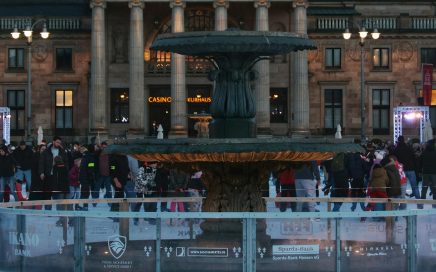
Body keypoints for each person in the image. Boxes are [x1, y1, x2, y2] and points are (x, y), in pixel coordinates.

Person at [38, 136, 69, 209]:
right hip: (49, 174)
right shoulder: (47, 151)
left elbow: (66, 162)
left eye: (59, 143)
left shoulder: (62, 151)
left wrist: (65, 170)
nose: (58, 144)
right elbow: (41, 162)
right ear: (53, 141)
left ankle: (59, 209)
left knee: (58, 193)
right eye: (57, 142)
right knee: (48, 193)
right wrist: (41, 172)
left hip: (58, 175)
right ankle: (48, 209)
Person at [392, 136, 420, 202]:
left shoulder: (396, 149)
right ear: (404, 140)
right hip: (411, 169)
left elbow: (394, 159)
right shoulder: (409, 148)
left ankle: (402, 203)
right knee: (415, 187)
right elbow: (414, 159)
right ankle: (419, 202)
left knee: (402, 187)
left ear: (398, 141)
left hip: (401, 170)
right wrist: (416, 169)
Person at [109, 154, 130, 221]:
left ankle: (114, 213)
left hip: (123, 180)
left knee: (119, 195)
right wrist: (116, 181)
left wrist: (129, 174)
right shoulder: (113, 158)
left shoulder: (125, 157)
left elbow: (127, 168)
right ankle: (115, 214)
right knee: (119, 196)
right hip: (117, 180)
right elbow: (112, 170)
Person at [52, 156, 70, 227]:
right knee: (67, 205)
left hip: (59, 189)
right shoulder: (65, 167)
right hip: (66, 189)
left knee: (59, 205)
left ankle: (61, 220)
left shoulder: (55, 168)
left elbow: (55, 180)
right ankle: (71, 220)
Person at [78, 145, 98, 210]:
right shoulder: (88, 157)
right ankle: (84, 205)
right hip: (86, 177)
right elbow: (90, 168)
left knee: (84, 192)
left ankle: (83, 205)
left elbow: (88, 168)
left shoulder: (86, 156)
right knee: (85, 192)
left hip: (84, 177)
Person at [420, 139, 436, 208]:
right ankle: (434, 203)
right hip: (434, 173)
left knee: (424, 188)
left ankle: (421, 203)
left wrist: (420, 171)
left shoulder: (424, 152)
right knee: (435, 188)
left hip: (425, 172)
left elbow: (420, 162)